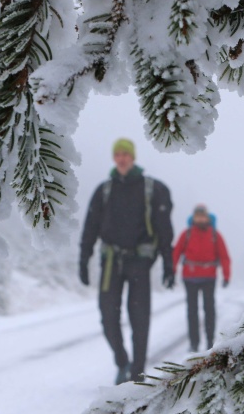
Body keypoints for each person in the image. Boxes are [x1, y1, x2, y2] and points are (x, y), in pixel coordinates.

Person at [79, 138, 175, 384]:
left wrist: (168, 261)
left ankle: (137, 373)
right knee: (108, 317)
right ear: (114, 158)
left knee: (139, 318)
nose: (121, 158)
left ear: (133, 157)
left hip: (139, 263)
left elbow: (164, 228)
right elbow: (90, 227)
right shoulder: (104, 191)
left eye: (126, 154)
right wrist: (84, 257)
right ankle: (122, 361)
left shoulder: (151, 189)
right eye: (118, 154)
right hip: (110, 263)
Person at [172, 204, 231, 352]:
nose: (200, 219)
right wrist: (171, 272)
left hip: (209, 278)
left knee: (209, 309)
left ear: (207, 217)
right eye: (197, 216)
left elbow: (224, 256)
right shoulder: (186, 234)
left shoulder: (215, 235)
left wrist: (226, 275)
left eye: (202, 216)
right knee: (192, 311)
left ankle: (210, 341)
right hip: (189, 277)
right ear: (194, 218)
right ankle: (194, 343)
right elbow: (176, 253)